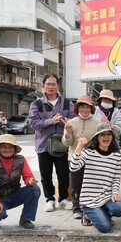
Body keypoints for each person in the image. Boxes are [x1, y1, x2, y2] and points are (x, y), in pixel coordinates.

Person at [28, 73, 75, 212]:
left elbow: (73, 119)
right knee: (45, 175)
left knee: (63, 174)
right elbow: (33, 123)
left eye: (53, 84)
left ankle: (64, 199)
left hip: (62, 144)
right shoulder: (36, 104)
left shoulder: (67, 103)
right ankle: (50, 199)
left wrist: (65, 121)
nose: (51, 86)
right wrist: (50, 121)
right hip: (43, 145)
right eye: (48, 84)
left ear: (58, 86)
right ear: (43, 87)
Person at [69, 124, 121, 233]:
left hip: (106, 197)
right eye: (102, 135)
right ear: (97, 137)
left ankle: (101, 214)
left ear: (112, 137)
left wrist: (114, 193)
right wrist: (79, 147)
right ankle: (88, 215)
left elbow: (116, 178)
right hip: (90, 199)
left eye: (109, 134)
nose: (106, 137)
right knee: (105, 227)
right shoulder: (88, 152)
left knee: (120, 209)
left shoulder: (116, 156)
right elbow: (73, 167)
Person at [0, 134, 40, 229]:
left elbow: (28, 176)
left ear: (14, 149)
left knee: (34, 189)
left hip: (14, 195)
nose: (7, 149)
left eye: (10, 147)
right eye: (4, 147)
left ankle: (26, 219)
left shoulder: (21, 159)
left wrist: (30, 181)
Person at [62, 95, 102, 219]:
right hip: (74, 158)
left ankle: (89, 207)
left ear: (91, 109)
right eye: (82, 107)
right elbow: (67, 143)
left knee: (91, 184)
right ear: (77, 108)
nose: (85, 109)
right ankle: (77, 208)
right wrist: (68, 133)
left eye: (87, 107)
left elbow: (100, 141)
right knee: (76, 184)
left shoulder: (97, 122)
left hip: (92, 159)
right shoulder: (71, 123)